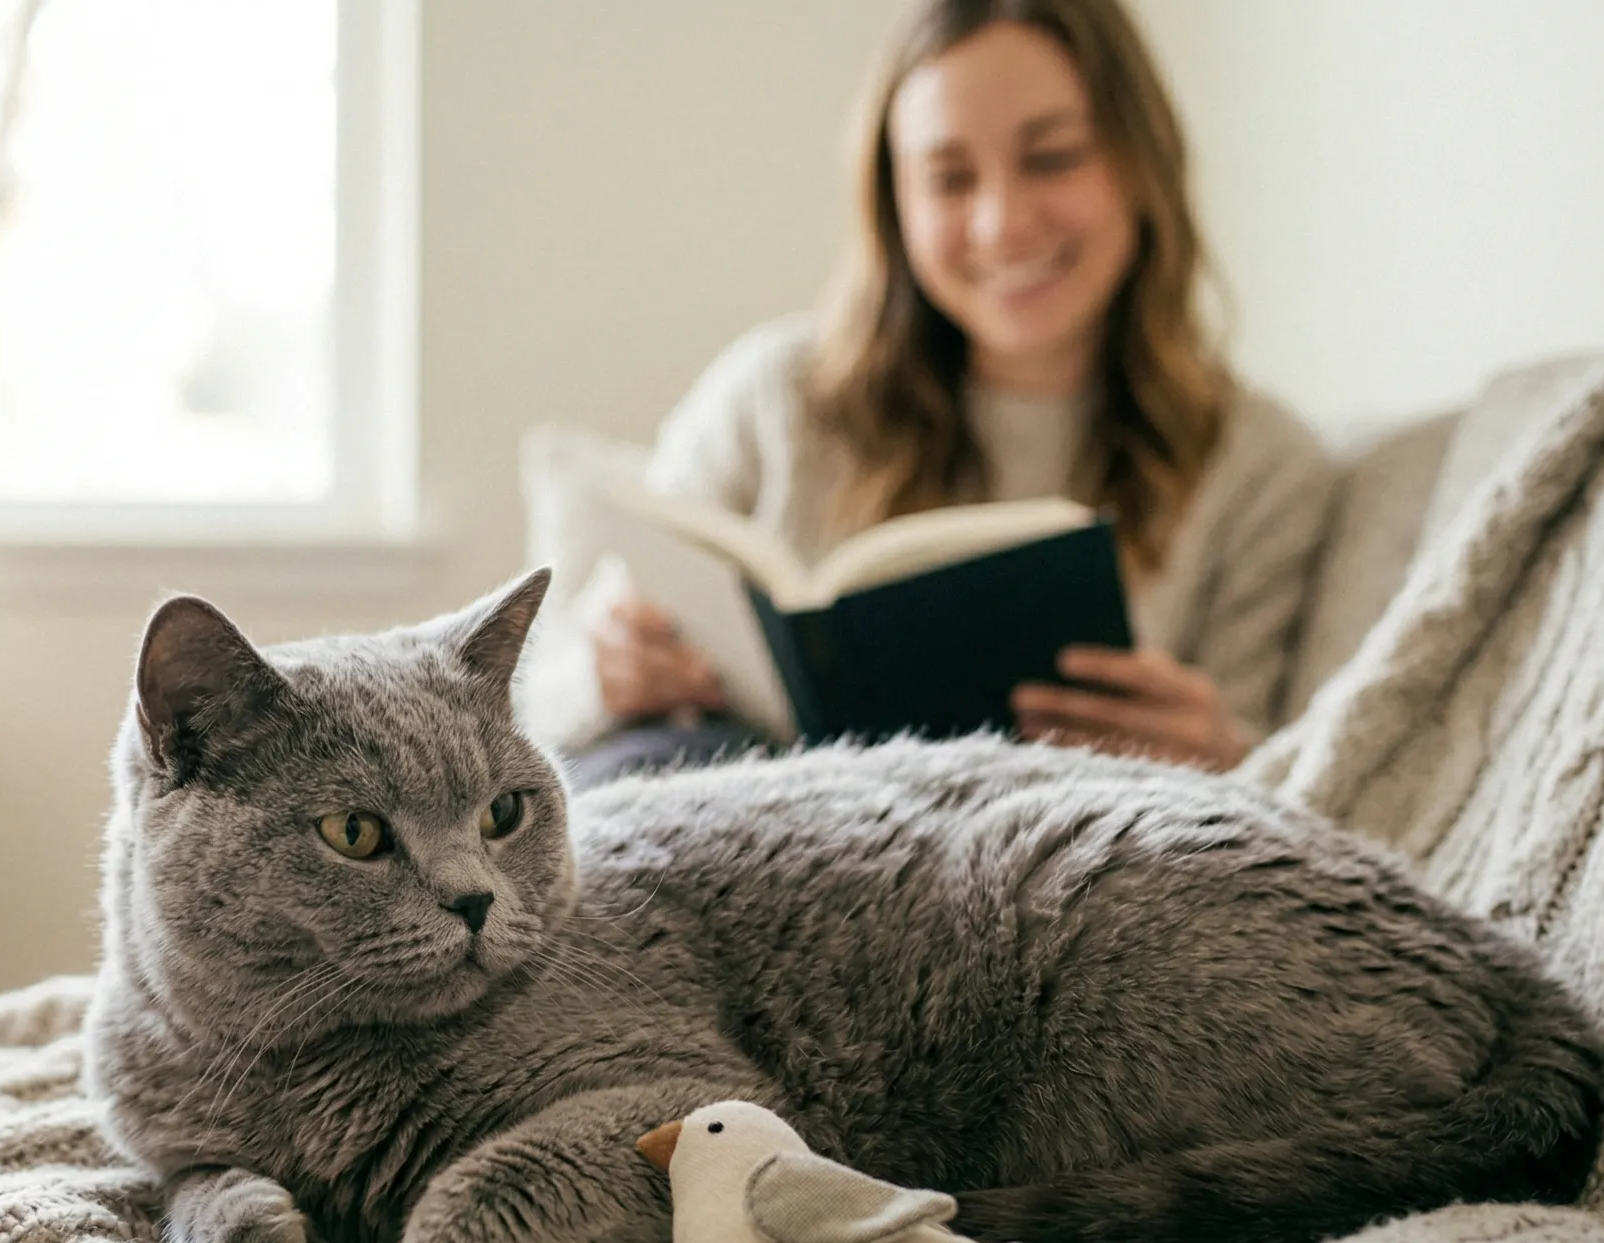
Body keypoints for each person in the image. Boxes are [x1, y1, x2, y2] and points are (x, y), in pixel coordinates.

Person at [526, 0, 1336, 783]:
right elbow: (534, 711)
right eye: (948, 179)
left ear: (1142, 167)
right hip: (747, 851)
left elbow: (1294, 798)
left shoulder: (1261, 467)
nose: (1001, 225)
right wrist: (607, 677)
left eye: (1052, 158)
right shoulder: (772, 397)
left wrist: (1226, 759)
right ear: (895, 205)